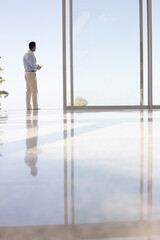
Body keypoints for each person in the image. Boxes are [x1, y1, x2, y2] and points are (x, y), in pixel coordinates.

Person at [23, 42, 42, 110]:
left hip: (26, 73)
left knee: (28, 90)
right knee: (34, 90)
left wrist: (35, 66)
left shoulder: (25, 54)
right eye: (35, 46)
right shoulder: (31, 54)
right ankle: (35, 106)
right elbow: (32, 65)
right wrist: (37, 66)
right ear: (33, 47)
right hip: (31, 73)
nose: (35, 48)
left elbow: (27, 64)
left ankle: (28, 107)